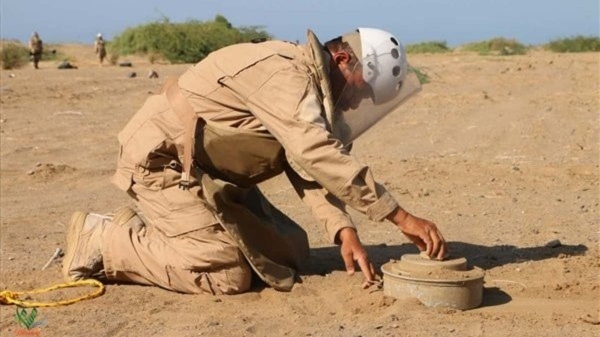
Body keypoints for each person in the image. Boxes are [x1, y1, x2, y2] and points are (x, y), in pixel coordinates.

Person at [62, 27, 447, 295]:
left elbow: (304, 163)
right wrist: (400, 216)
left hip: (205, 171)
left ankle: (166, 230)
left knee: (290, 250)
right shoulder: (286, 74)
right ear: (343, 58)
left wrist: (343, 230)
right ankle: (105, 239)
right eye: (363, 91)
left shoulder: (303, 84)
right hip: (161, 164)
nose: (358, 103)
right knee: (228, 274)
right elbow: (316, 153)